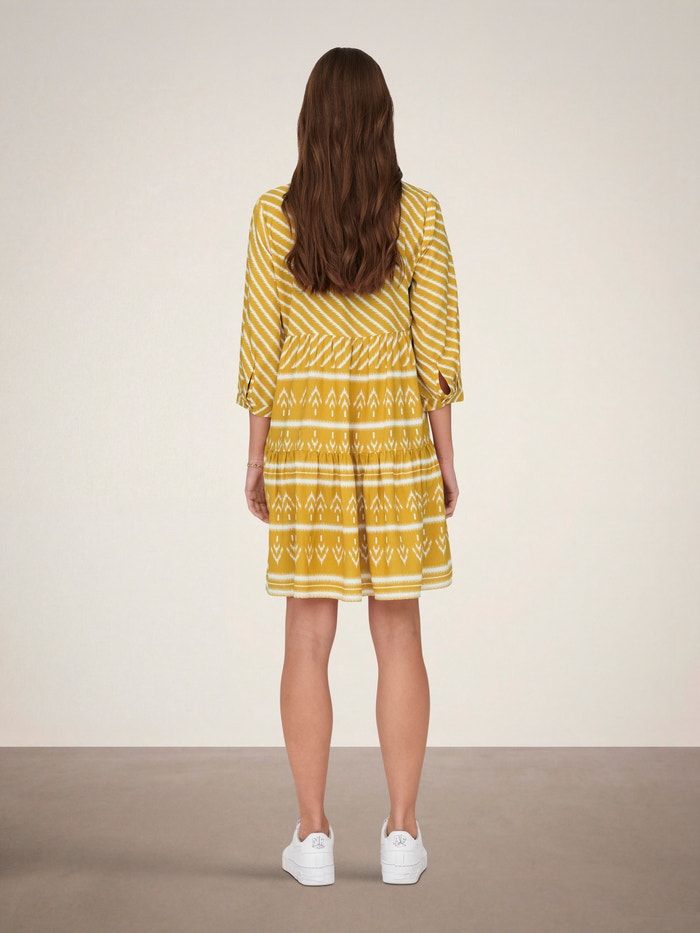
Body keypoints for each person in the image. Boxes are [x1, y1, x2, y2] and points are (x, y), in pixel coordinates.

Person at [236, 47, 464, 885]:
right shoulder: (421, 214)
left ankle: (314, 835)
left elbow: (262, 347)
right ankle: (402, 834)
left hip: (307, 434)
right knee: (398, 629)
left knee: (308, 632)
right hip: (396, 432)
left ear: (311, 124)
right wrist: (445, 456)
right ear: (381, 123)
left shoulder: (274, 217)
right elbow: (437, 349)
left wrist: (256, 456)